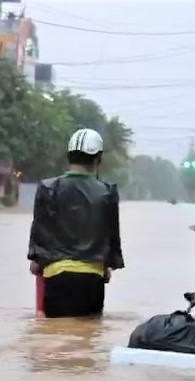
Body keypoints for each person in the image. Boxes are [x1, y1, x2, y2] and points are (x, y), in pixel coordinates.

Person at [27, 128, 125, 318]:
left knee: (53, 338)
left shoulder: (48, 188)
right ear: (98, 159)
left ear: (69, 156)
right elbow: (112, 237)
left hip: (56, 277)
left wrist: (36, 262)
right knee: (88, 337)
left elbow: (40, 232)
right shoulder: (107, 192)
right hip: (93, 279)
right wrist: (107, 267)